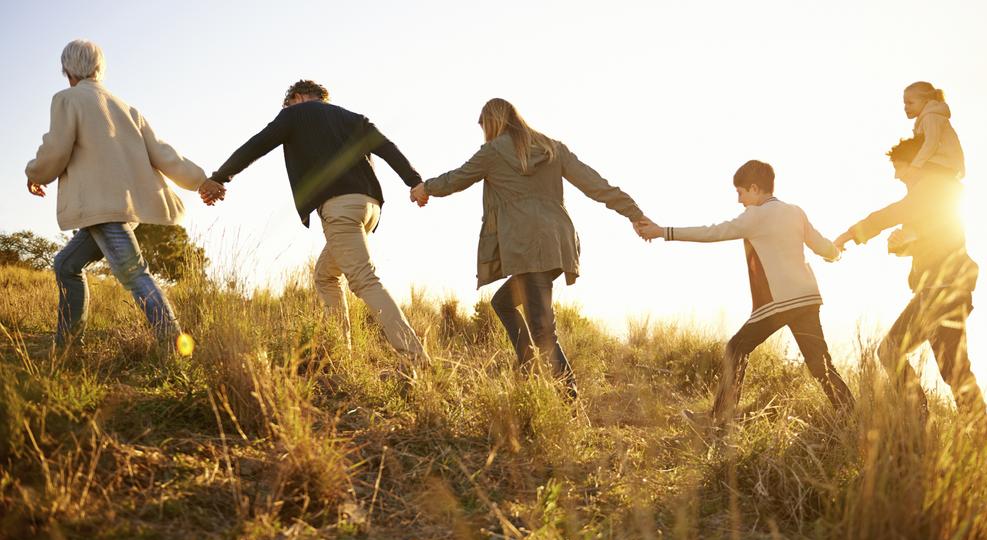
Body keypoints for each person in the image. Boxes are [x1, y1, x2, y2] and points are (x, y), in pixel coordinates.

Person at [411, 98, 649, 399]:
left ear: (492, 123)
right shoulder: (552, 148)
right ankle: (529, 373)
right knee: (504, 303)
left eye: (484, 127)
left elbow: (455, 179)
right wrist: (633, 212)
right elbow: (595, 184)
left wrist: (425, 188)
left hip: (526, 245)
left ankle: (568, 401)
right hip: (557, 243)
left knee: (543, 330)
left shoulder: (492, 152)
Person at [201, 80, 429, 370]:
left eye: (288, 104)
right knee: (325, 276)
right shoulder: (352, 118)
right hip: (369, 207)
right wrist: (414, 181)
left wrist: (220, 177)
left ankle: (417, 359)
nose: (287, 108)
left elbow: (256, 145)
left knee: (364, 280)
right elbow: (387, 148)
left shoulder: (294, 114)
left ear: (297, 98)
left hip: (340, 208)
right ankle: (340, 356)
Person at [25, 39, 220, 348]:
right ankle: (68, 347)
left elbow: (56, 149)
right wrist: (200, 180)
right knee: (66, 264)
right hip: (124, 209)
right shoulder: (126, 108)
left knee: (134, 273)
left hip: (102, 208)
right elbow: (163, 152)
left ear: (67, 70)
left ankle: (173, 344)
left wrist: (35, 174)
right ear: (98, 68)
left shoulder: (67, 99)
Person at [636, 160, 854, 429]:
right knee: (820, 363)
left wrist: (663, 232)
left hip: (779, 303)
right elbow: (823, 248)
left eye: (740, 192)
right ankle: (850, 413)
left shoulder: (755, 216)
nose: (739, 200)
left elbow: (712, 232)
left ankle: (718, 419)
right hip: (807, 298)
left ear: (754, 188)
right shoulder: (795, 211)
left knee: (736, 348)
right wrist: (837, 252)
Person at [834, 135, 986, 420]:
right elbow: (936, 240)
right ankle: (955, 424)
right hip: (941, 289)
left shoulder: (931, 188)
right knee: (951, 369)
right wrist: (902, 244)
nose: (896, 176)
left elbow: (888, 215)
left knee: (895, 350)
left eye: (899, 168)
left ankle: (926, 418)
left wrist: (849, 235)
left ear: (917, 163)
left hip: (943, 290)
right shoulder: (931, 196)